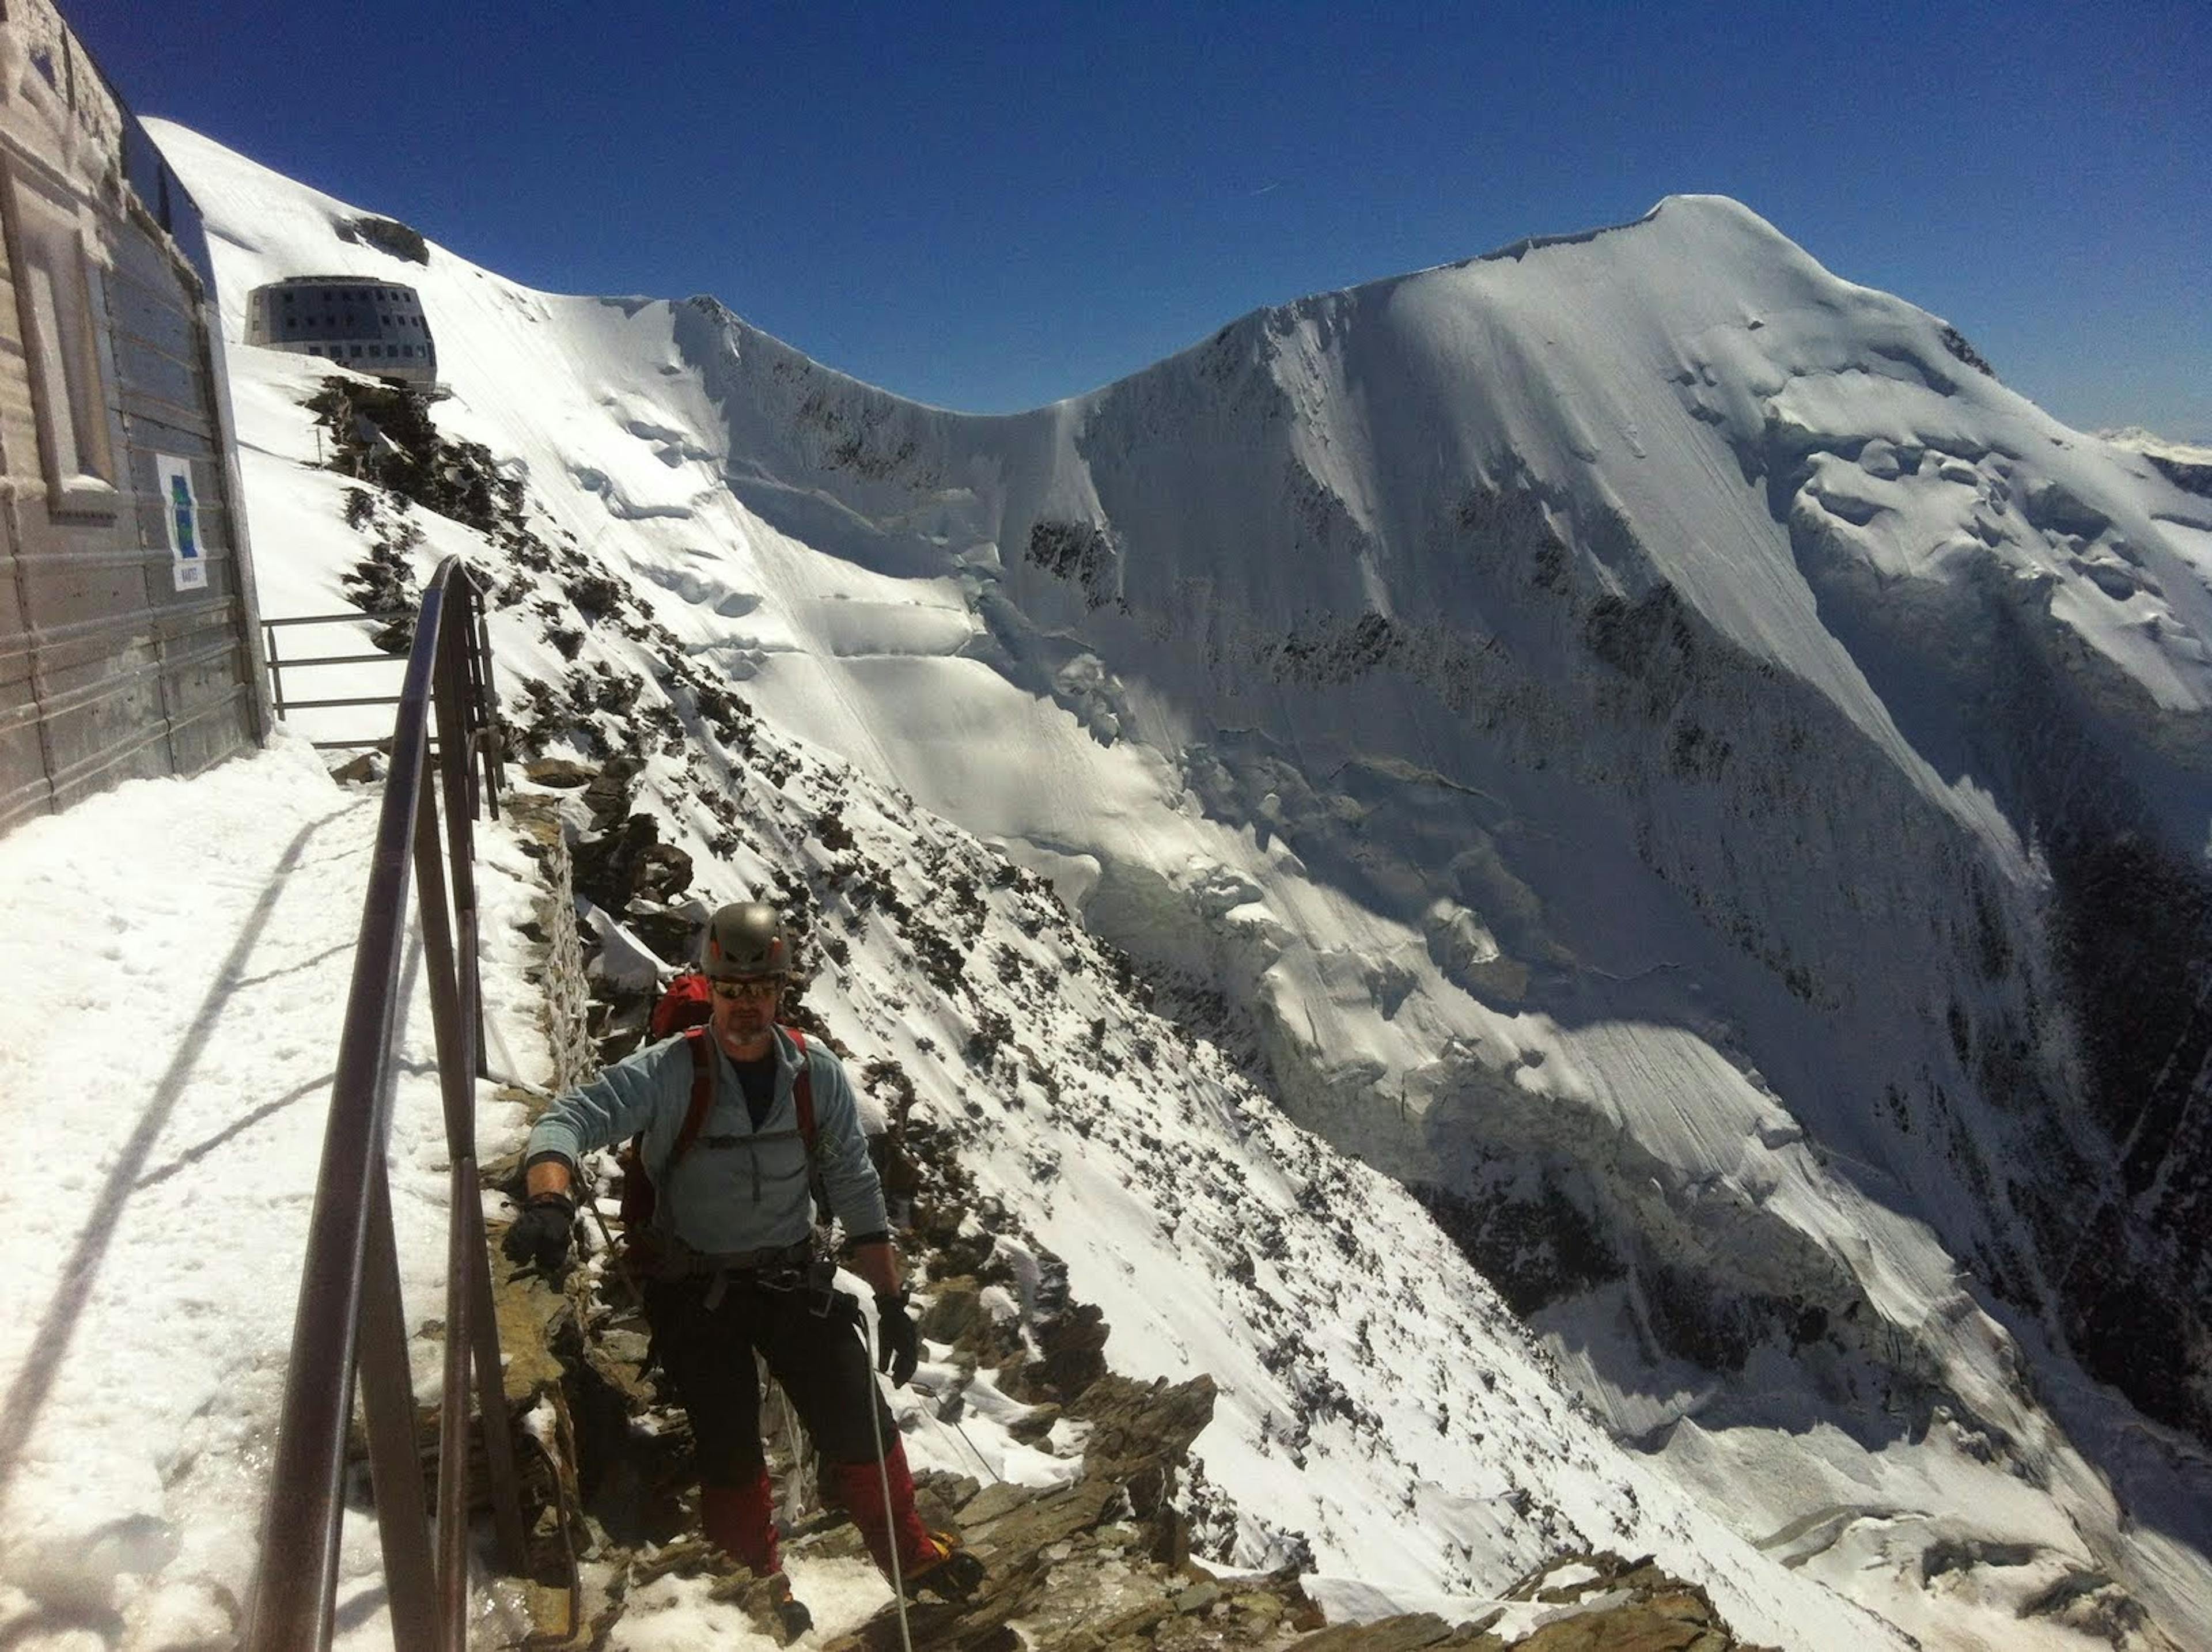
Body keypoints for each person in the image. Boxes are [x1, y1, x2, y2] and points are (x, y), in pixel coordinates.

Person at [502, 901, 982, 1636]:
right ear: (712, 988)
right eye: (733, 990)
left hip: (790, 1278)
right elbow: (568, 1120)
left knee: (860, 1420)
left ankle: (910, 1554)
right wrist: (550, 1202)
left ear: (782, 990)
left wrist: (889, 1300)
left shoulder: (813, 1073)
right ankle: (760, 1588)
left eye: (761, 990)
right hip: (694, 1290)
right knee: (728, 1448)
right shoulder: (670, 1071)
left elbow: (854, 1183)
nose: (747, 1005)